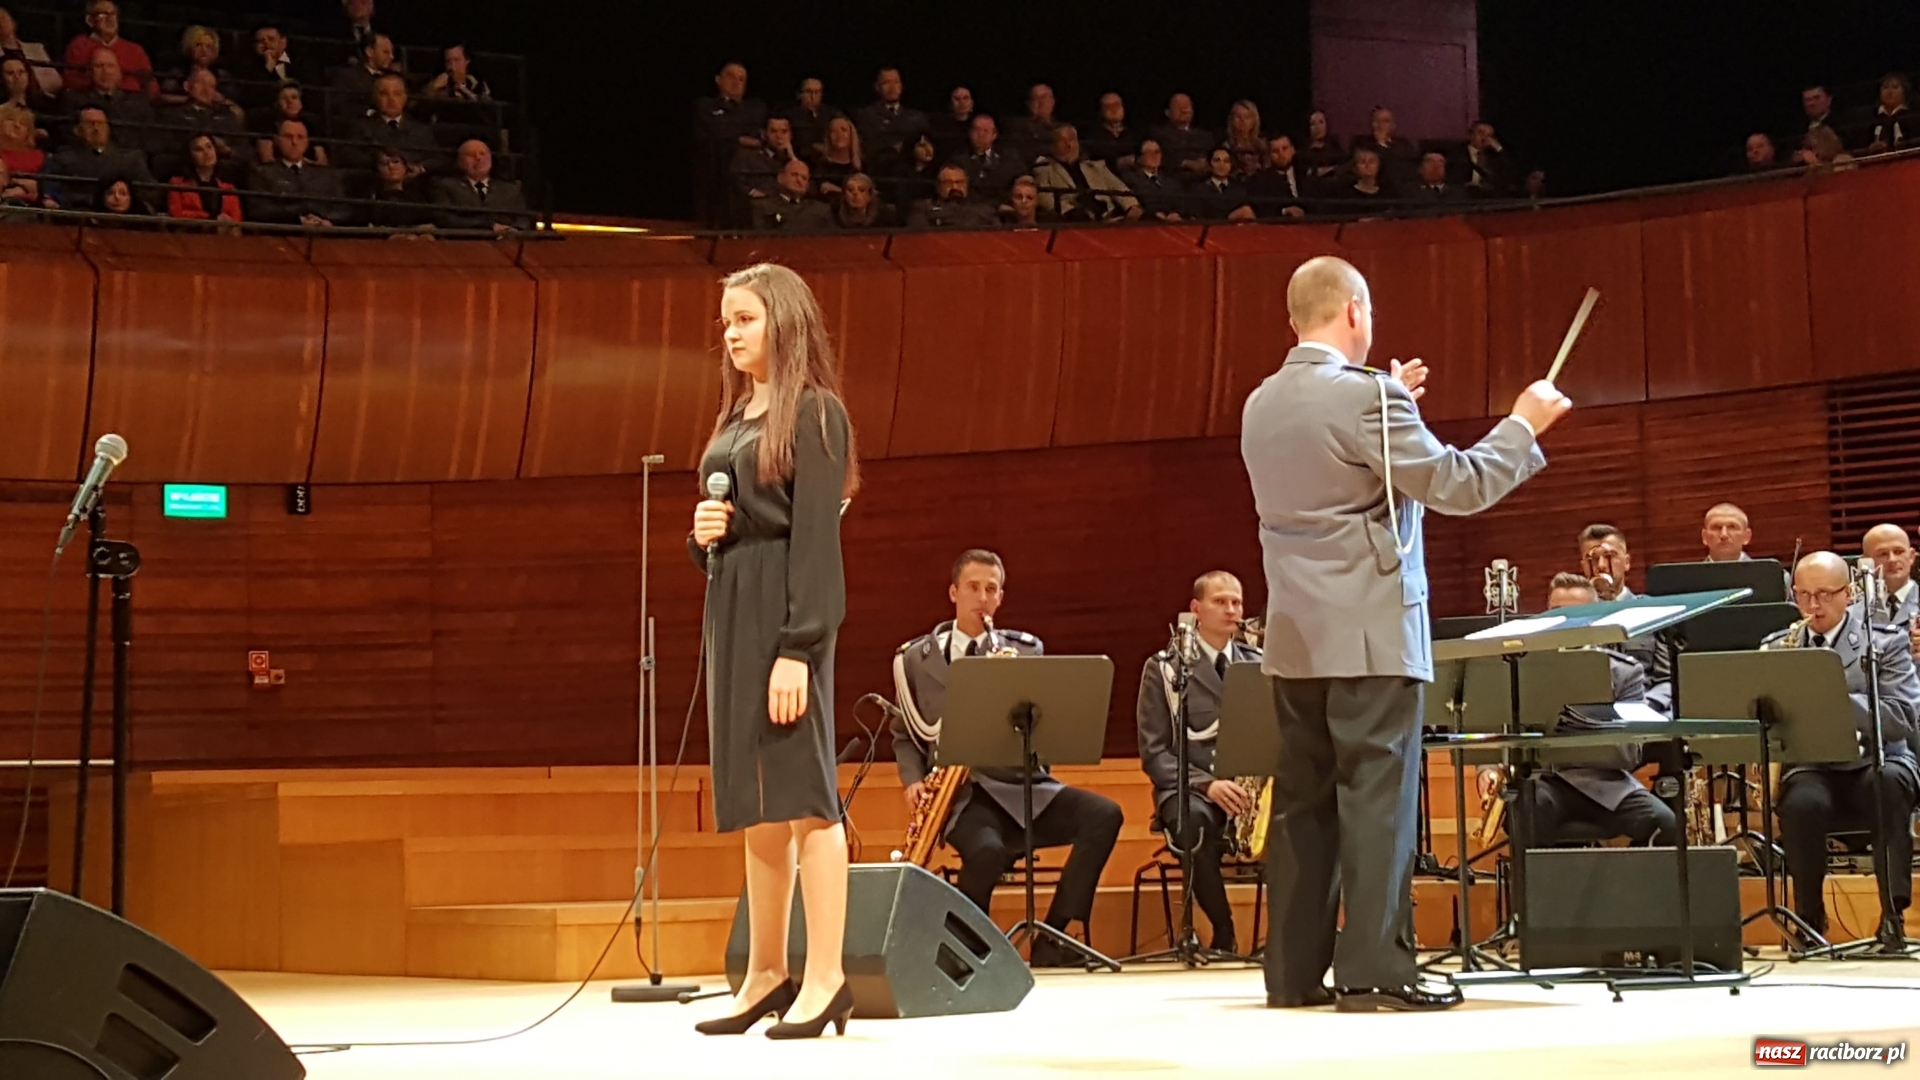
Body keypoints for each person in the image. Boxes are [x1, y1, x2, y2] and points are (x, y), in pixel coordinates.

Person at [1242, 255, 1568, 1011]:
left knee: (1304, 805)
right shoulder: (1368, 398)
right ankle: (1377, 971)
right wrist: (1524, 422)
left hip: (1295, 637)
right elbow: (1459, 484)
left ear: (1296, 320)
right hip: (1372, 634)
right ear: (1355, 310)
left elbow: (1341, 494)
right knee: (1377, 803)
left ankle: (1292, 975)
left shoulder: (1261, 401)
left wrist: (1395, 406)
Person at [688, 262, 859, 1038]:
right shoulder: (734, 421)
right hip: (733, 612)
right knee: (757, 803)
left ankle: (827, 977)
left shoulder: (817, 414)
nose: (730, 333)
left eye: (745, 319)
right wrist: (704, 541)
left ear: (783, 324)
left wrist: (800, 648)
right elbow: (738, 528)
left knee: (803, 797)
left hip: (787, 620)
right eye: (726, 321)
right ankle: (765, 971)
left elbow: (817, 544)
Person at [890, 550, 1124, 964]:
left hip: (1025, 787)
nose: (983, 597)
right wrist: (912, 781)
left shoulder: (1025, 651)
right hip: (965, 795)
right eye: (974, 588)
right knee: (985, 852)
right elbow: (905, 733)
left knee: (1104, 815)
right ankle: (961, 952)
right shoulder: (916, 659)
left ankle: (1053, 937)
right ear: (953, 593)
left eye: (991, 589)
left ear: (1000, 597)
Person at [1765, 552, 1920, 952]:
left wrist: (1835, 697)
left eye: (1824, 595)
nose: (1813, 606)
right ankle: (1809, 918)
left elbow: (1904, 715)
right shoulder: (1780, 646)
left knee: (1886, 786)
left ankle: (1892, 917)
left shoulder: (1885, 643)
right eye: (1803, 596)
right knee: (1801, 804)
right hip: (1814, 763)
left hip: (1878, 757)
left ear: (1848, 594)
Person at [1477, 573, 1678, 849]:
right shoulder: (1520, 667)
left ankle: (1627, 887)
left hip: (1605, 785)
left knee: (1664, 823)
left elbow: (1630, 753)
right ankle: (1545, 891)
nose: (1567, 621)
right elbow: (1493, 726)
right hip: (1542, 781)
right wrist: (1486, 771)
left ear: (1596, 617)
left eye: (1579, 612)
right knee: (1525, 814)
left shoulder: (1624, 672)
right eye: (1558, 613)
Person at [1135, 570, 1262, 955]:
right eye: (1219, 601)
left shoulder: (1260, 663)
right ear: (1196, 609)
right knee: (1192, 822)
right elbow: (1154, 752)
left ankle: (1297, 937)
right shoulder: (1164, 669)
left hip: (1250, 787)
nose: (1230, 610)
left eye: (1236, 602)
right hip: (1193, 789)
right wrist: (1207, 784)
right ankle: (1223, 932)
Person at [433, 139, 528, 232]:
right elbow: (444, 218)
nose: (478, 158)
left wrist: (514, 230)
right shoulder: (447, 186)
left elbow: (523, 219)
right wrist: (486, 225)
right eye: (470, 155)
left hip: (506, 242)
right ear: (460, 162)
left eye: (483, 154)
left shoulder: (510, 189)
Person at [1861, 523, 1920, 646]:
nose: (1892, 559)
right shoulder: (1853, 613)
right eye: (1883, 554)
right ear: (1866, 562)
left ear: (1911, 556)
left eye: (1899, 552)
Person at [166, 132, 240, 224]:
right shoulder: (177, 183)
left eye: (209, 147)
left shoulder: (229, 188)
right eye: (198, 149)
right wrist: (211, 219)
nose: (206, 152)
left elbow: (237, 221)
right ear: (190, 156)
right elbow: (176, 215)